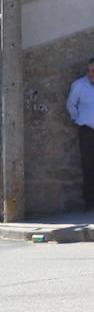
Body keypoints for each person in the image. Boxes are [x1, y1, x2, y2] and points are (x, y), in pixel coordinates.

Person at [67, 57, 94, 211]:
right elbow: (71, 104)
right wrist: (78, 119)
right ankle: (90, 202)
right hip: (87, 131)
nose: (91, 73)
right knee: (88, 166)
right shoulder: (79, 85)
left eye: (93, 70)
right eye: (89, 70)